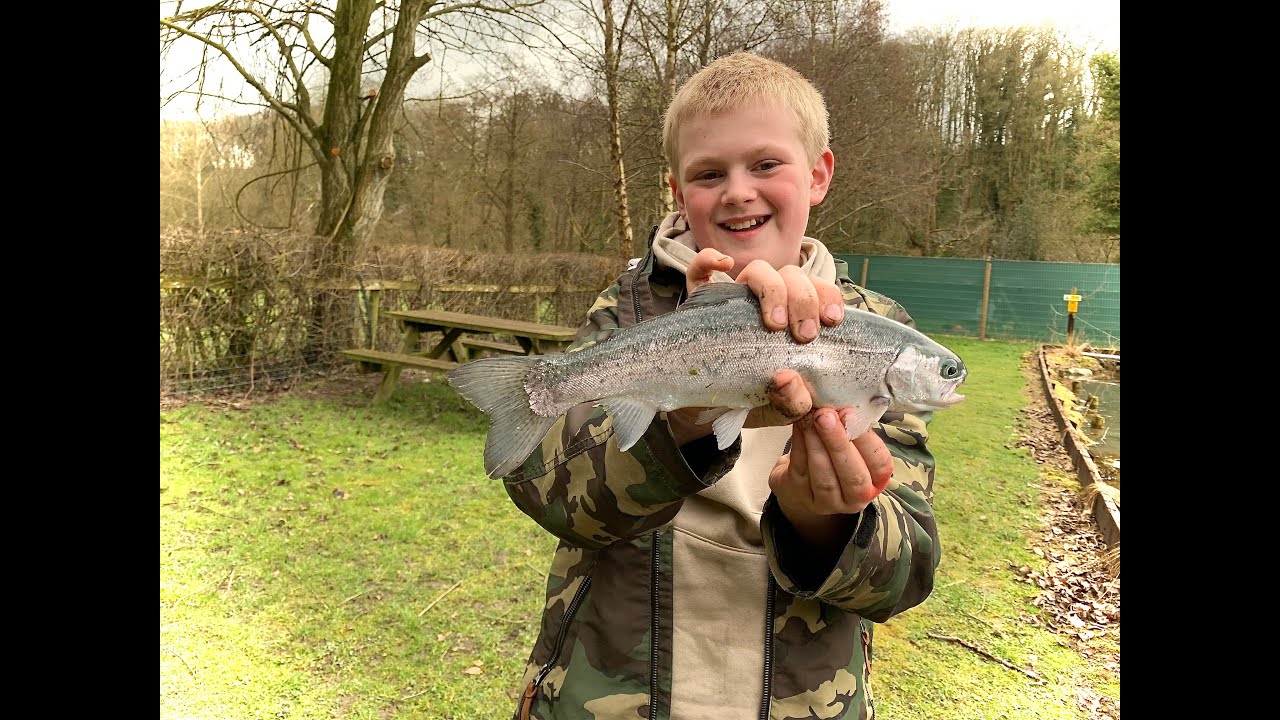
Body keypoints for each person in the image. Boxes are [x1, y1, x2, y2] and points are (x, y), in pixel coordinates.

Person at [502, 52, 941, 720]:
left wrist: (827, 520)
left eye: (765, 164)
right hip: (607, 696)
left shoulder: (882, 332)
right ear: (679, 194)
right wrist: (680, 425)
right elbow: (547, 492)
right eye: (709, 174)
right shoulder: (627, 312)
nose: (738, 191)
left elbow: (906, 577)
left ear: (818, 175)